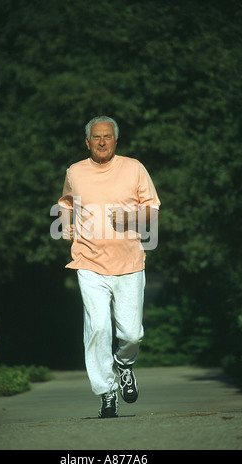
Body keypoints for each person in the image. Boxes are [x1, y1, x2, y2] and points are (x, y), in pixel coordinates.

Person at [58, 116, 160, 418]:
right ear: (87, 142)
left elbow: (152, 209)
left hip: (129, 263)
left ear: (116, 141)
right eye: (96, 137)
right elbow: (66, 203)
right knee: (98, 328)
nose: (102, 142)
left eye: (107, 137)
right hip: (88, 262)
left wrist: (129, 220)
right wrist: (67, 230)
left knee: (131, 334)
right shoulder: (75, 172)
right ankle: (106, 392)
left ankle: (124, 364)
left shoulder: (134, 168)